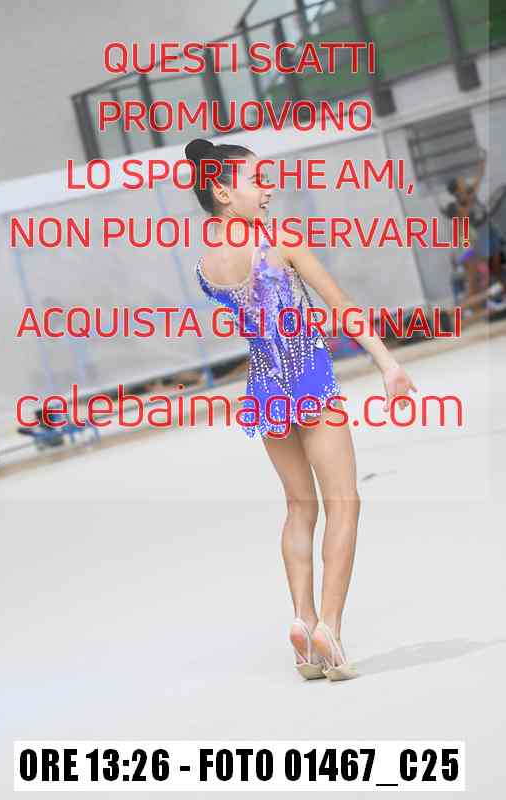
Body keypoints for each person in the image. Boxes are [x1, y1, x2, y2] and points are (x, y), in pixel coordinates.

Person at [188, 138, 417, 682]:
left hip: (265, 390)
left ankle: (301, 619)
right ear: (223, 191)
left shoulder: (206, 265)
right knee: (344, 502)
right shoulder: (280, 240)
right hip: (309, 380)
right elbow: (341, 306)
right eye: (256, 181)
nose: (268, 189)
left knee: (298, 507)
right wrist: (388, 363)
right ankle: (328, 630)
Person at [446, 149, 505, 303]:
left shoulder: (469, 191)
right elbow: (463, 227)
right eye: (460, 182)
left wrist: (483, 161)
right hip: (480, 233)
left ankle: (498, 289)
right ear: (457, 189)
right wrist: (468, 245)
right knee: (492, 265)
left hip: (487, 227)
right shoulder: (460, 204)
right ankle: (491, 294)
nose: (463, 181)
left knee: (497, 261)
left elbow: (480, 176)